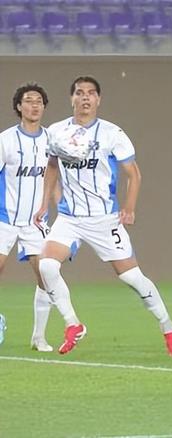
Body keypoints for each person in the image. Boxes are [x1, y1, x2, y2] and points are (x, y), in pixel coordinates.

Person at [34, 76, 172, 357]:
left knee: (132, 278)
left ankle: (168, 327)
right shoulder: (56, 131)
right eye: (80, 92)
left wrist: (129, 207)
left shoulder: (112, 133)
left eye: (91, 93)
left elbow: (133, 174)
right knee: (47, 266)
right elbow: (52, 166)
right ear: (71, 98)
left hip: (104, 219)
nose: (85, 97)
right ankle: (73, 324)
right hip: (69, 217)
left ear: (98, 100)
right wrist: (44, 205)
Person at [0, 83, 54, 351]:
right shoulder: (5, 140)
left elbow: (56, 177)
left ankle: (39, 336)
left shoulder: (52, 140)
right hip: (4, 218)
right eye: (29, 101)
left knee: (47, 274)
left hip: (36, 222)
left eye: (39, 101)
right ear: (19, 106)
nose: (34, 105)